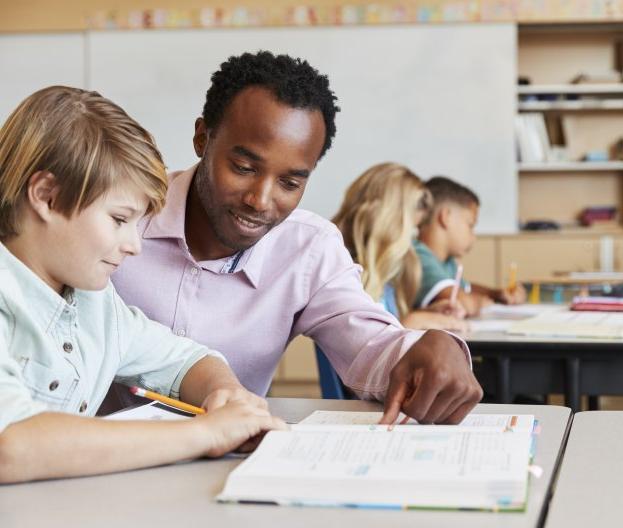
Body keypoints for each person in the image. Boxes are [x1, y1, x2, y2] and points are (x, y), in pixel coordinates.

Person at [111, 51, 482, 424]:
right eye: (242, 168)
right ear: (202, 138)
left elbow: (368, 342)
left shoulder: (308, 248)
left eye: (290, 182)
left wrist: (429, 349)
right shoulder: (118, 215)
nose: (260, 200)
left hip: (221, 466)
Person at [0, 86, 285, 484]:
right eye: (119, 219)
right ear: (46, 196)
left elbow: (184, 359)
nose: (134, 245)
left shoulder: (93, 301)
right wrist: (204, 434)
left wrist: (226, 395)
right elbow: (10, 445)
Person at [332, 163, 468, 336]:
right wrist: (414, 321)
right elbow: (362, 345)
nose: (412, 241)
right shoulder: (344, 274)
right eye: (410, 229)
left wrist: (428, 314)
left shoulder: (384, 278)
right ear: (390, 221)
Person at [415, 176, 527, 316]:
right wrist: (479, 302)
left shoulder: (446, 262)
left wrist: (497, 294)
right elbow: (464, 303)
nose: (473, 236)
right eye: (470, 225)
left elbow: (465, 289)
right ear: (446, 217)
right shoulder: (418, 256)